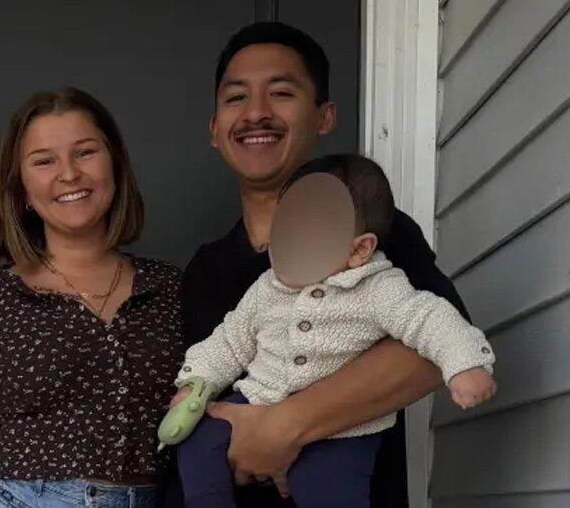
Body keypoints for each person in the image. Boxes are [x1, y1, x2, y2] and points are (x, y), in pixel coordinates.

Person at [167, 21, 474, 507]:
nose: (256, 113)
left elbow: (434, 349)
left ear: (324, 116)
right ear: (214, 129)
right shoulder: (206, 268)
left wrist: (283, 427)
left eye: (281, 93)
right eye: (236, 97)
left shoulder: (377, 236)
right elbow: (209, 380)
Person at [169, 153, 496, 508]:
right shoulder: (266, 287)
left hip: (342, 430)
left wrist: (464, 364)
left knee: (326, 485)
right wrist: (195, 382)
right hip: (259, 397)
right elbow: (229, 340)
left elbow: (431, 318)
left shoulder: (378, 287)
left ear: (359, 249)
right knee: (199, 441)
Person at [0, 87, 183, 508]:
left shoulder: (170, 288)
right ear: (22, 188)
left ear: (115, 164)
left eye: (85, 153)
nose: (69, 174)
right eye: (44, 161)